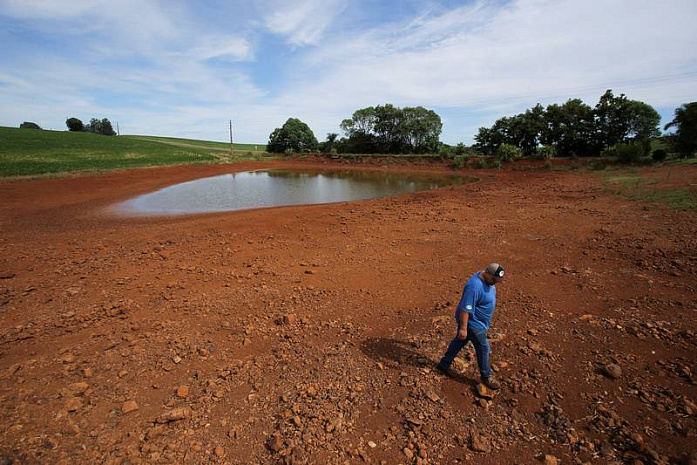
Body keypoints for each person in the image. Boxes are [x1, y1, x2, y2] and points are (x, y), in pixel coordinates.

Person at [436, 263, 505, 390]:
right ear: (487, 273)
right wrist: (463, 328)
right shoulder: (474, 287)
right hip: (473, 324)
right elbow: (465, 309)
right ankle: (486, 377)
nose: (495, 283)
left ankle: (444, 364)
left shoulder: (486, 278)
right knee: (483, 348)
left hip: (479, 323)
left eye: (498, 281)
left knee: (459, 341)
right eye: (494, 280)